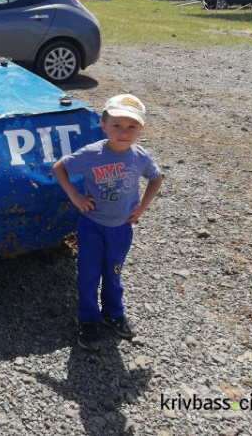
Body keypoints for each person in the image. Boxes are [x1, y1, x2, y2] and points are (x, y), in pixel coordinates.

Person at [53, 94, 163, 351]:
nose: (124, 132)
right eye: (117, 125)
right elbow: (60, 168)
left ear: (141, 129)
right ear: (103, 125)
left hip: (121, 229)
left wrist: (141, 208)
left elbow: (156, 178)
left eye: (131, 126)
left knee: (113, 274)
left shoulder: (140, 157)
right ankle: (89, 319)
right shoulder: (92, 154)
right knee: (89, 274)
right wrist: (76, 196)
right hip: (92, 225)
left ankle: (113, 314)